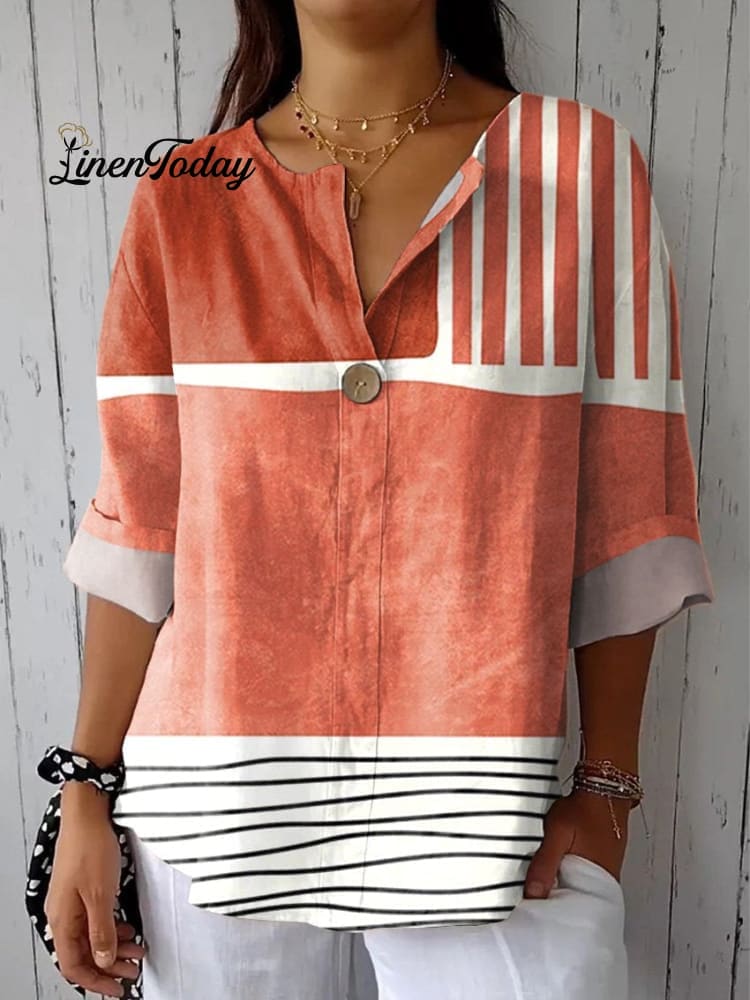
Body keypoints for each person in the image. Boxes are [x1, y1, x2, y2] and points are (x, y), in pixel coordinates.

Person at [42, 1, 715, 998]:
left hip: (496, 821)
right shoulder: (187, 196)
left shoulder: (577, 168)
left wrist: (606, 788)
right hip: (208, 815)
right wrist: (86, 793)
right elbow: (141, 523)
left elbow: (629, 507)